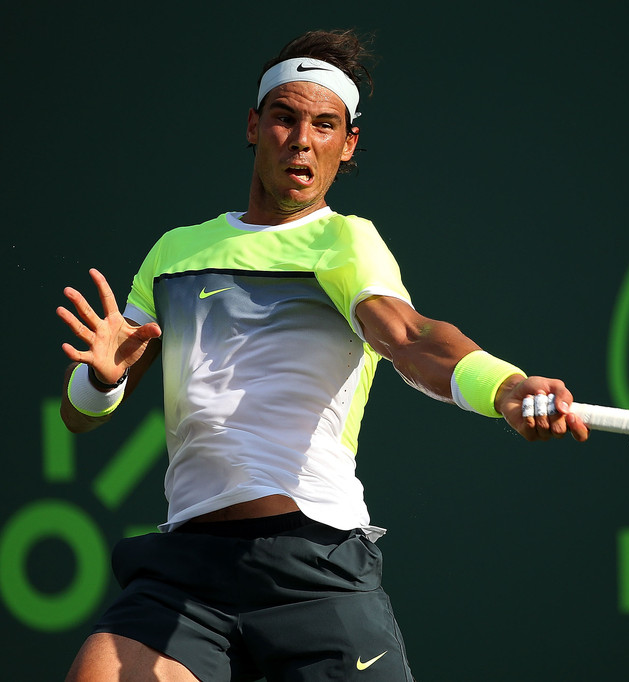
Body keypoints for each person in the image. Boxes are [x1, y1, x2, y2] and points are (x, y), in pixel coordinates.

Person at [57, 29, 588, 682]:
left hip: (313, 567)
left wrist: (503, 387)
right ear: (254, 126)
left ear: (347, 143)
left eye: (324, 124)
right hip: (186, 571)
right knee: (101, 673)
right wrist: (100, 384)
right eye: (284, 118)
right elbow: (81, 417)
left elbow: (409, 338)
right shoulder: (174, 254)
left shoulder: (344, 244)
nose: (301, 140)